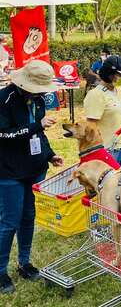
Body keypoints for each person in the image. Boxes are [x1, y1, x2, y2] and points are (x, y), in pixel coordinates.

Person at [0, 60, 63, 293]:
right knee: (9, 222)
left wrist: (50, 155)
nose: (42, 93)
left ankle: (24, 263)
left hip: (34, 168)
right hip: (8, 171)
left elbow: (39, 136)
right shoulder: (4, 99)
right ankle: (0, 272)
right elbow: (4, 135)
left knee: (29, 217)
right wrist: (36, 125)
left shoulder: (37, 100)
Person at [84, 56, 121, 168]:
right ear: (109, 74)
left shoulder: (120, 90)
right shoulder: (96, 94)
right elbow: (91, 126)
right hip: (108, 150)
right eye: (119, 75)